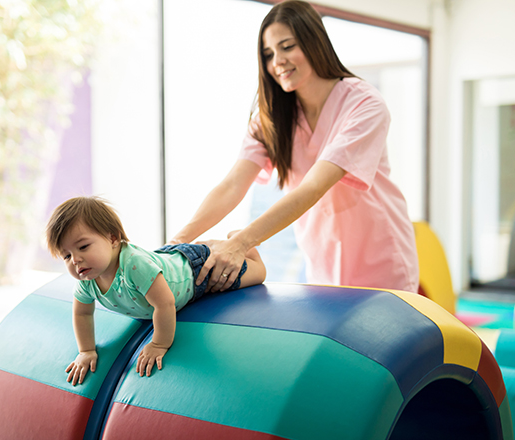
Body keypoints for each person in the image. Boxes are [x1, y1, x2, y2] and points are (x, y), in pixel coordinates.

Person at [169, 0, 418, 294]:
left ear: (314, 43)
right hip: (322, 262)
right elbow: (233, 185)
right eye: (268, 53)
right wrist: (176, 244)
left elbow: (314, 186)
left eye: (287, 47)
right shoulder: (272, 119)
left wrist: (242, 243)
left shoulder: (364, 104)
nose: (277, 62)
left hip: (380, 259)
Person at [45, 196, 266, 385]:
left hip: (192, 272)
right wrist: (86, 351)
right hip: (162, 259)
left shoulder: (134, 265)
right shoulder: (87, 278)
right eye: (66, 255)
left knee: (255, 275)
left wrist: (159, 343)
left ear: (112, 238)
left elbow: (164, 303)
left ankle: (244, 247)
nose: (76, 260)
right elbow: (82, 313)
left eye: (83, 247)